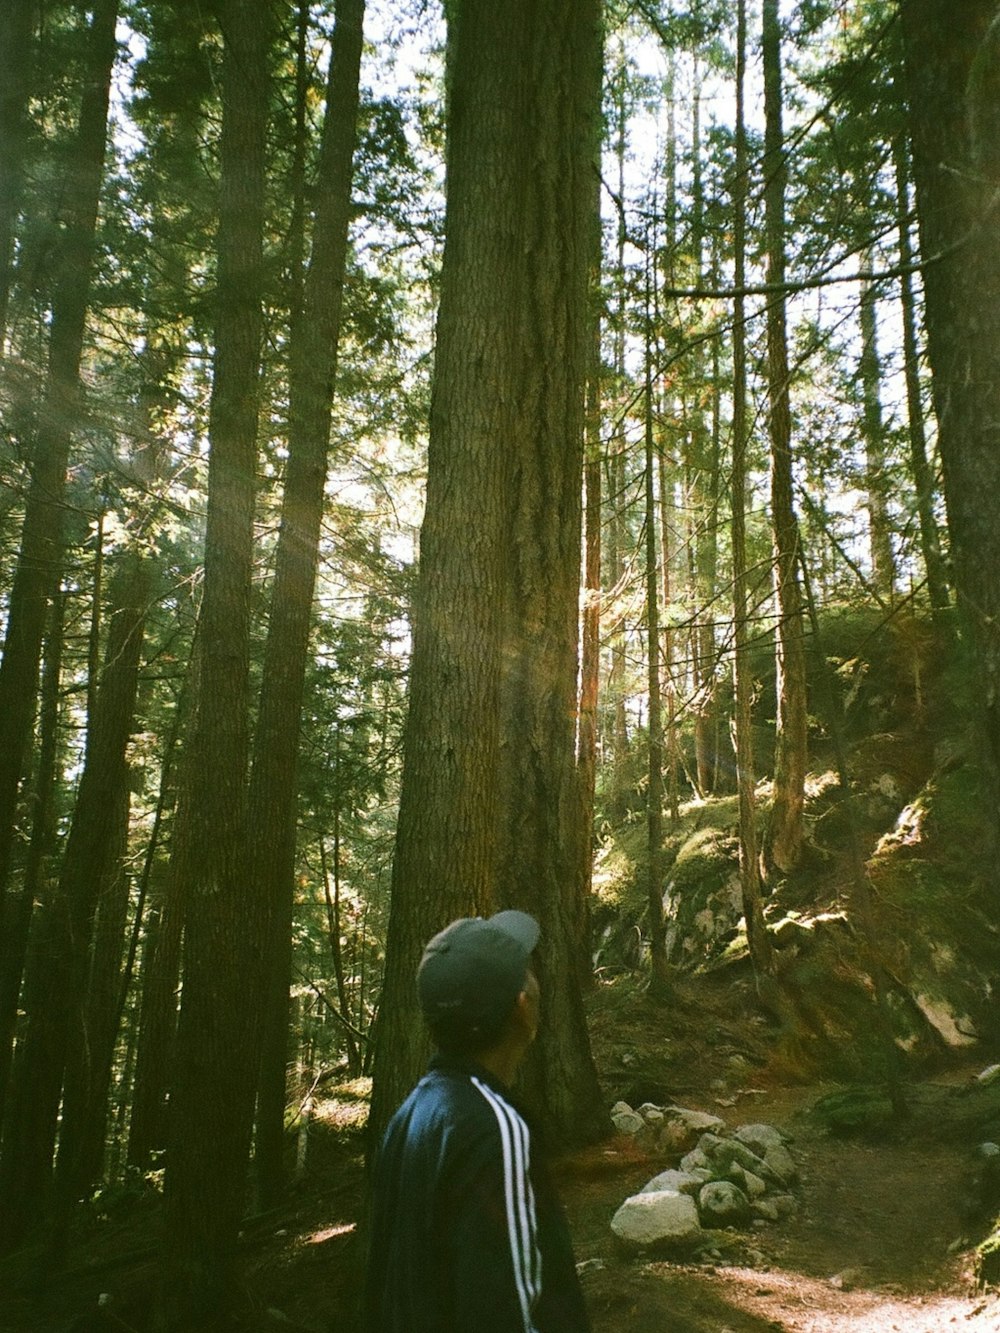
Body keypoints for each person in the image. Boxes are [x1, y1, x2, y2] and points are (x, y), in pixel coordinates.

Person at [365, 909, 591, 1333]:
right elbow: (510, 1309)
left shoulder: (410, 1116)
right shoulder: (495, 1129)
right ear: (522, 1009)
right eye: (527, 971)